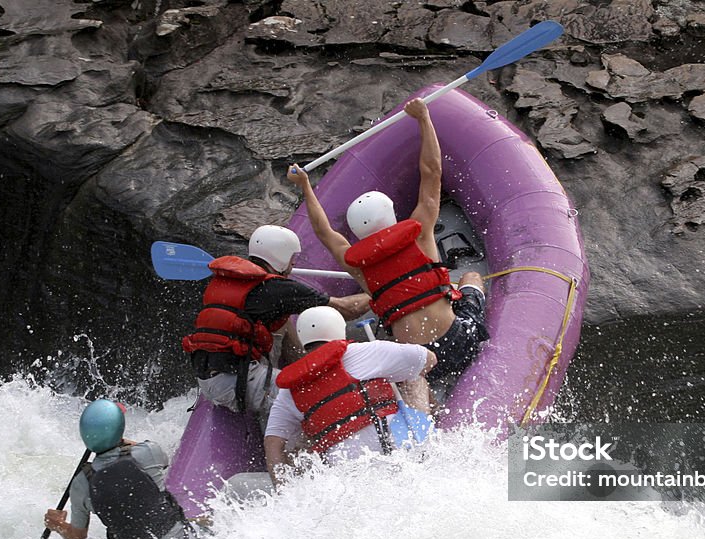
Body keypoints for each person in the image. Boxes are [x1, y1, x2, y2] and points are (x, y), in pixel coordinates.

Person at [287, 98, 489, 391]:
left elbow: (323, 231)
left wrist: (305, 185)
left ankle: (428, 404)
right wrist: (423, 118)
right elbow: (432, 172)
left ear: (358, 232)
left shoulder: (357, 265)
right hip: (458, 341)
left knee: (404, 364)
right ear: (391, 215)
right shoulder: (420, 232)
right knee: (470, 279)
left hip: (419, 361)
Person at [182, 225, 369, 424]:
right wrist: (384, 289)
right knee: (314, 397)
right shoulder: (275, 289)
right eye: (291, 258)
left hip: (211, 377)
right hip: (237, 382)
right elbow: (348, 309)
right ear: (279, 255)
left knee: (283, 320)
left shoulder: (226, 280)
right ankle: (294, 447)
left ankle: (303, 367)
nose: (293, 264)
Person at [264, 306, 437, 484]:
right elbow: (429, 359)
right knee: (415, 378)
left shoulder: (288, 391)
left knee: (301, 439)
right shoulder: (364, 351)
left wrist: (283, 490)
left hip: (343, 476)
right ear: (339, 329)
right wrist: (392, 376)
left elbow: (273, 444)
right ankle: (431, 436)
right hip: (395, 449)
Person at [43, 399, 191, 539]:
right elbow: (164, 462)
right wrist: (118, 440)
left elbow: (78, 537)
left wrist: (57, 524)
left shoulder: (81, 483)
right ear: (119, 428)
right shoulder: (148, 451)